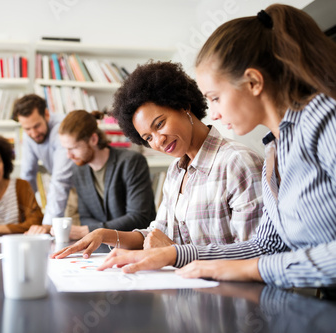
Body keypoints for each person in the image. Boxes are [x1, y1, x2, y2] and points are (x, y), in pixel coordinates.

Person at [97, 4, 336, 290]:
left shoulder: (325, 121)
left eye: (215, 98)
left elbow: (267, 258)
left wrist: (249, 270)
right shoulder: (275, 149)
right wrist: (176, 255)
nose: (214, 113)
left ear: (253, 82)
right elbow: (266, 245)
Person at [52, 61, 263, 259]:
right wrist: (104, 234)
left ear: (183, 106)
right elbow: (156, 235)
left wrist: (176, 253)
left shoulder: (238, 163)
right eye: (148, 138)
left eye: (160, 124)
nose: (159, 141)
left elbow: (255, 253)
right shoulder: (176, 171)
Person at [56, 109, 156, 240]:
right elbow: (85, 216)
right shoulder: (78, 170)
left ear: (93, 139)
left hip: (136, 246)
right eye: (66, 149)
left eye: (73, 148)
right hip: (100, 249)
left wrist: (88, 230)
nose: (69, 156)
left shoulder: (131, 162)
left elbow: (138, 218)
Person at [12, 94, 75, 234]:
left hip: (77, 188)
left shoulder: (63, 128)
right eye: (27, 129)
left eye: (37, 126)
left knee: (71, 235)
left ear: (46, 114)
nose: (33, 133)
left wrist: (47, 225)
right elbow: (27, 174)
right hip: (61, 187)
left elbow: (60, 180)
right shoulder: (30, 135)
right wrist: (25, 214)